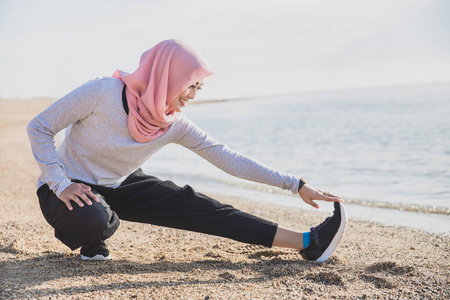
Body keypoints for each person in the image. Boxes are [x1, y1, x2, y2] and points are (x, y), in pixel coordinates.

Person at [27, 39, 347, 262]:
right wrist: (60, 182)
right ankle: (93, 238)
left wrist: (297, 185)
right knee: (97, 219)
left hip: (120, 184)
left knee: (202, 208)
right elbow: (40, 127)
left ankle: (308, 243)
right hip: (66, 187)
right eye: (190, 85)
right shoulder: (101, 93)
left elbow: (227, 158)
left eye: (198, 87)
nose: (193, 95)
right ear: (167, 74)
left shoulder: (173, 123)